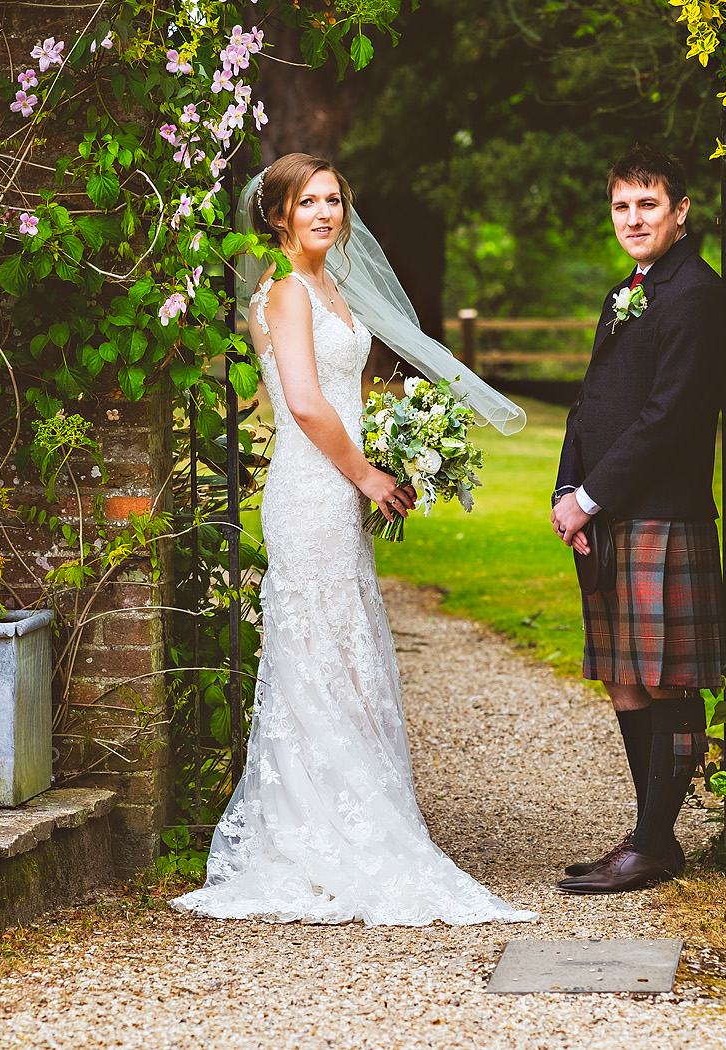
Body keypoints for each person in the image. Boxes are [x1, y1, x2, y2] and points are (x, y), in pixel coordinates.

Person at [171, 153, 534, 926]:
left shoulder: (332, 286)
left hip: (337, 484)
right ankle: (311, 831)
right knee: (317, 647)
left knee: (347, 648)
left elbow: (345, 388)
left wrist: (394, 446)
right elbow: (302, 402)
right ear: (277, 217)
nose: (326, 214)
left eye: (333, 200)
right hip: (311, 488)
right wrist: (368, 474)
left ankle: (359, 812)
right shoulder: (285, 294)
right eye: (308, 203)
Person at [548, 145, 726, 895]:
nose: (633, 218)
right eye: (622, 206)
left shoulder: (695, 294)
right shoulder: (629, 288)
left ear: (680, 211)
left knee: (668, 683)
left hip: (660, 513)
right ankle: (650, 837)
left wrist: (589, 497)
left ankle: (653, 845)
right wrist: (567, 484)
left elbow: (669, 419)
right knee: (625, 679)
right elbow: (591, 401)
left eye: (647, 205)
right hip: (613, 510)